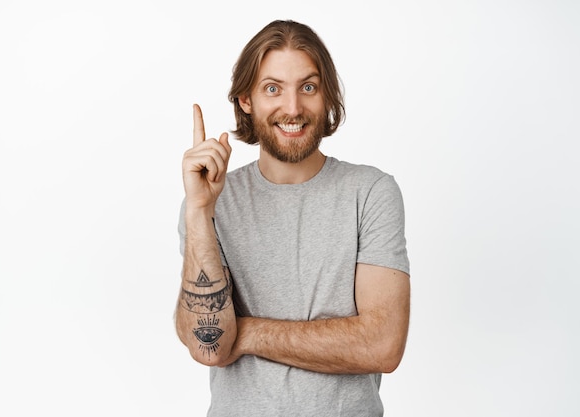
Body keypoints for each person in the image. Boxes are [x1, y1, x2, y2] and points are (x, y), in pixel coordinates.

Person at [175, 19, 410, 417]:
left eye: (308, 87)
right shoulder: (210, 202)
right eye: (272, 89)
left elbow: (382, 345)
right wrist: (200, 211)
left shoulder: (371, 192)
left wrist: (245, 331)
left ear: (326, 96)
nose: (293, 108)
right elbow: (208, 345)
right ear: (246, 100)